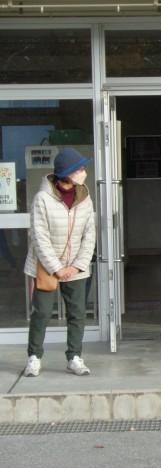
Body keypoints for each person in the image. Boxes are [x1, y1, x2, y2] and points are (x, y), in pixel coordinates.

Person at [23, 147, 96, 377]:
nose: (83, 172)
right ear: (67, 173)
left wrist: (76, 266)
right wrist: (57, 268)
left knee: (77, 313)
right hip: (46, 266)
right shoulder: (42, 198)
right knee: (42, 313)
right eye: (80, 168)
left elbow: (90, 234)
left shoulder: (84, 197)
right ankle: (34, 357)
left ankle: (74, 357)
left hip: (75, 267)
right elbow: (39, 237)